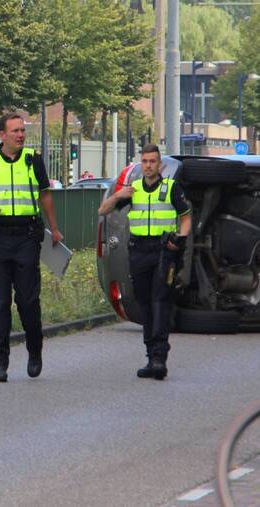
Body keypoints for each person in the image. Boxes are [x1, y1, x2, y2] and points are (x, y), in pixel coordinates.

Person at [0, 113, 63, 383]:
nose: (20, 135)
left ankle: (34, 351)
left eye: (23, 131)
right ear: (3, 135)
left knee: (28, 302)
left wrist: (54, 229)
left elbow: (45, 195)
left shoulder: (33, 159)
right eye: (15, 131)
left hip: (26, 240)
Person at [98, 144, 192, 380]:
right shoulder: (134, 189)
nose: (149, 165)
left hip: (164, 252)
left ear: (160, 165)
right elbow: (103, 210)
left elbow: (186, 218)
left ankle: (160, 357)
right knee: (145, 304)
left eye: (153, 161)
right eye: (145, 161)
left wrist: (179, 241)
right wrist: (118, 195)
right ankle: (151, 356)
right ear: (141, 164)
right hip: (139, 251)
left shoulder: (172, 188)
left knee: (160, 301)